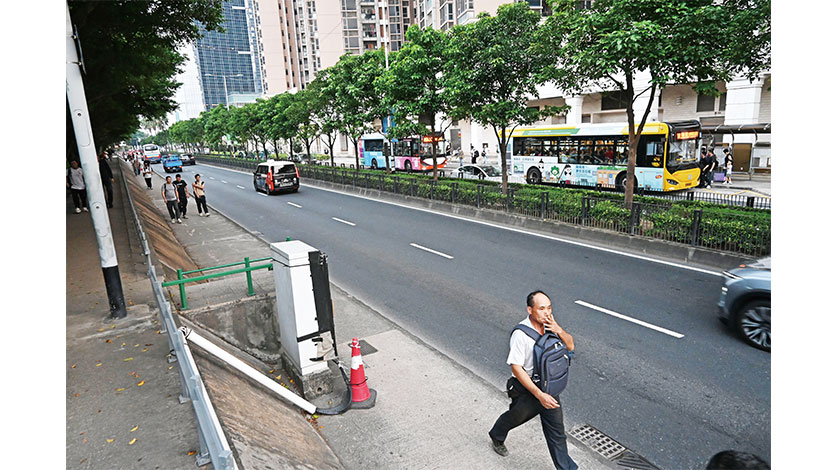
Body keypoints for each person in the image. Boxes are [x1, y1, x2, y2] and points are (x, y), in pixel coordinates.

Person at [489, 290, 577, 470]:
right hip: (527, 389)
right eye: (542, 308)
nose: (547, 313)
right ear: (530, 310)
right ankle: (497, 436)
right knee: (515, 418)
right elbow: (516, 367)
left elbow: (570, 346)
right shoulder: (520, 334)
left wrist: (559, 330)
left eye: (549, 308)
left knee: (557, 433)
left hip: (548, 388)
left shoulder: (550, 326)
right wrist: (538, 395)